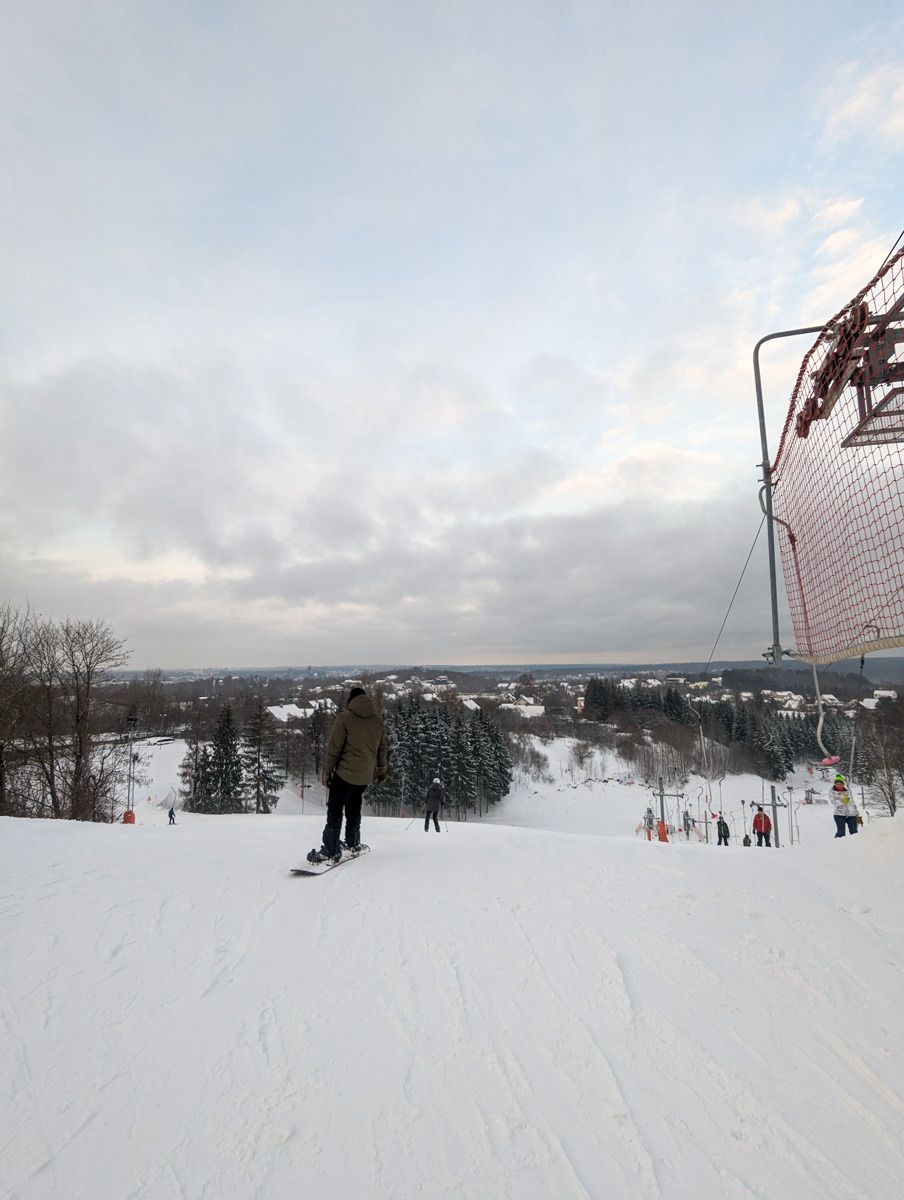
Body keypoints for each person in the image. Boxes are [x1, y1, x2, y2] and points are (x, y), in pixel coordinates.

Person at [308, 687, 387, 864]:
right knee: (354, 807)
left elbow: (334, 748)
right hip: (364, 776)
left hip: (345, 774)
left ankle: (331, 850)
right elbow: (382, 748)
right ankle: (353, 843)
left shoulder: (345, 718)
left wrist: (327, 771)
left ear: (351, 700)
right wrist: (382, 769)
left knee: (335, 809)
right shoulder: (377, 721)